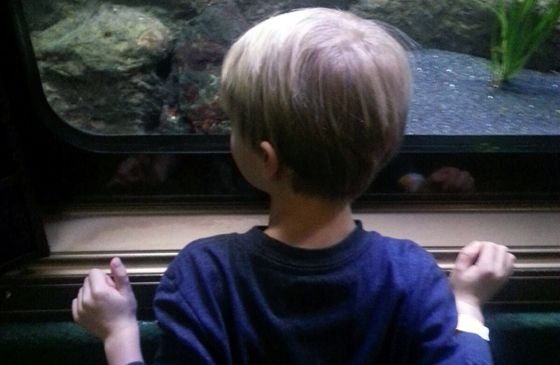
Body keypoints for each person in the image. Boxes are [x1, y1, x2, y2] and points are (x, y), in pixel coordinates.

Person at [72, 8, 515, 365]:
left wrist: (120, 333)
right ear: (384, 148)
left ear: (266, 159)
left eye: (234, 125)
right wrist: (469, 305)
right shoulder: (411, 273)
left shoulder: (204, 274)